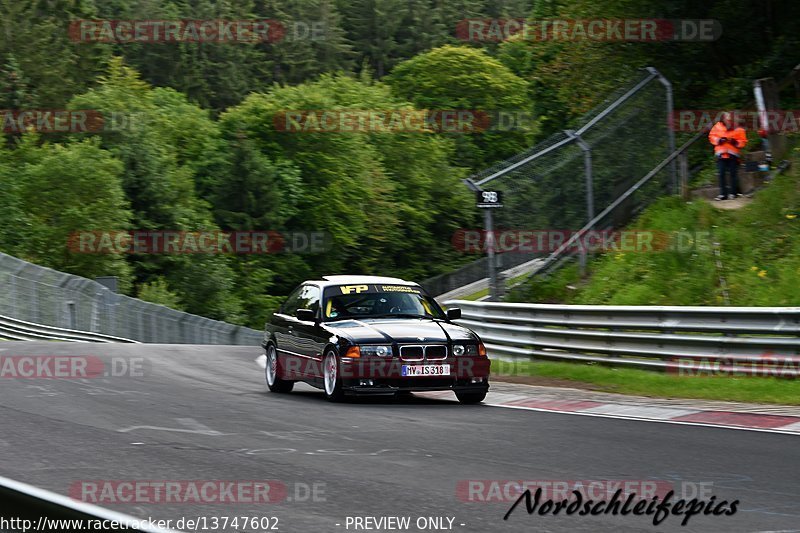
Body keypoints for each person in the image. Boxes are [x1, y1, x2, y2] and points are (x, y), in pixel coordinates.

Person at [708, 111, 747, 200]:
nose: (728, 119)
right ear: (723, 118)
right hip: (721, 154)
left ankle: (733, 193)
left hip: (733, 155)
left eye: (729, 118)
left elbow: (743, 141)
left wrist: (735, 142)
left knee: (733, 173)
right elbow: (711, 136)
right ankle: (723, 194)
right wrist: (719, 140)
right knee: (721, 174)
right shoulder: (717, 126)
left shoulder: (738, 128)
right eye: (726, 118)